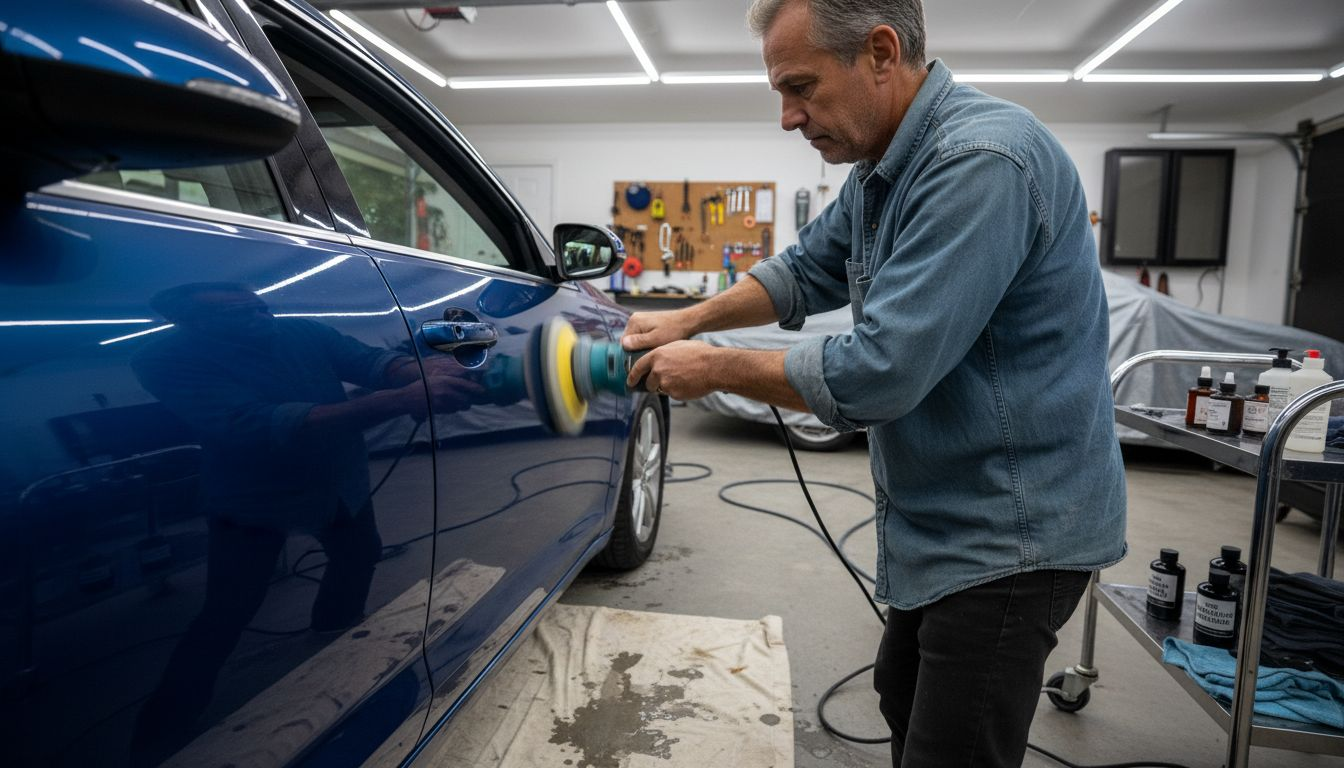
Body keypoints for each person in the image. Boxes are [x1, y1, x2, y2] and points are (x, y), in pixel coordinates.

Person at [622, 0, 1127, 765]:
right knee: (900, 691)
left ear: (882, 52)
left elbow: (881, 373)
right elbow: (805, 268)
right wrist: (689, 320)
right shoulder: (882, 171)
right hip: (946, 520)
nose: (789, 118)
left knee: (953, 746)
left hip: (1012, 529)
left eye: (801, 87)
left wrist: (714, 367)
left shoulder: (979, 162)